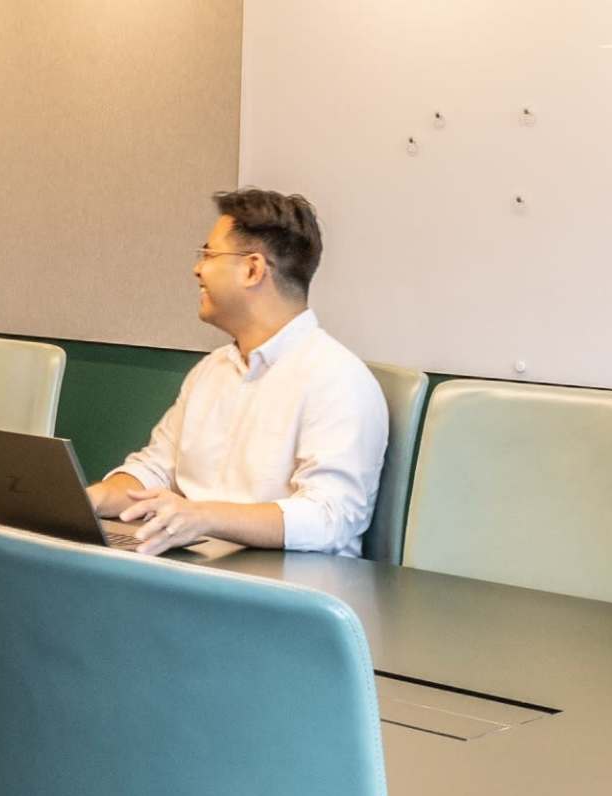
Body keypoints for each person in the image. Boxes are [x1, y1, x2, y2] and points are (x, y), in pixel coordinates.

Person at [89, 187, 390, 557]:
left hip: (286, 588)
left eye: (209, 254)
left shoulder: (337, 378)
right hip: (196, 567)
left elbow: (330, 517)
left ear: (252, 269)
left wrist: (203, 516)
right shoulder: (211, 370)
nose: (197, 269)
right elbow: (156, 468)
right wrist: (96, 498)